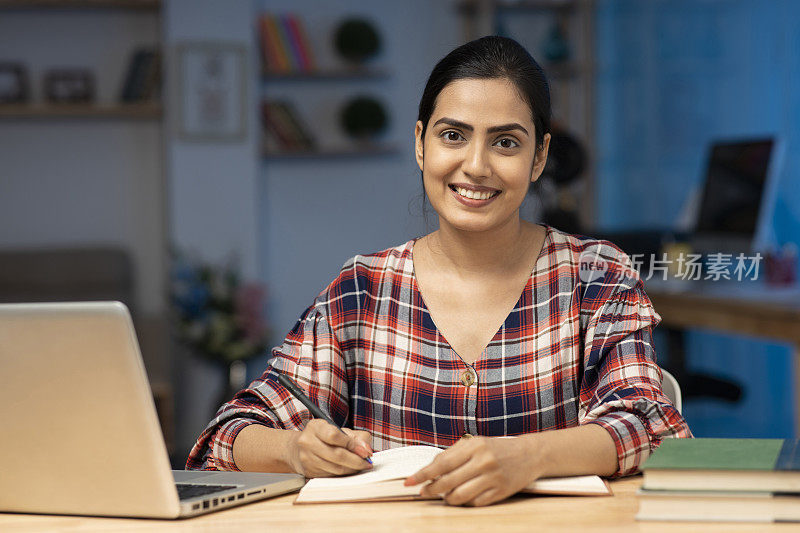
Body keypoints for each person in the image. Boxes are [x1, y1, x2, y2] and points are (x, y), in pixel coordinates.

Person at [187, 35, 692, 507]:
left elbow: (650, 424)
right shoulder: (362, 289)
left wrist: (529, 456)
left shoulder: (596, 275)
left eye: (506, 143)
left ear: (539, 156)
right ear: (421, 143)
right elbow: (230, 433)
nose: (475, 165)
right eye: (454, 135)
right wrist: (296, 449)